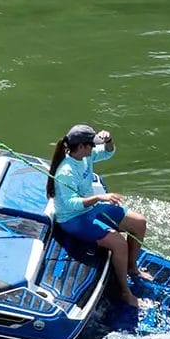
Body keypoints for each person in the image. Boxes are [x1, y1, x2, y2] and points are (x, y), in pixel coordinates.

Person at [47, 124, 148, 306]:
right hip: (73, 219)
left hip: (90, 208)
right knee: (119, 243)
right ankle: (125, 291)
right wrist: (100, 197)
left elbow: (108, 152)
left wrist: (109, 140)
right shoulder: (66, 172)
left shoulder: (86, 156)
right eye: (91, 144)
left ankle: (132, 268)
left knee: (139, 223)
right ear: (82, 146)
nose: (94, 148)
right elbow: (71, 204)